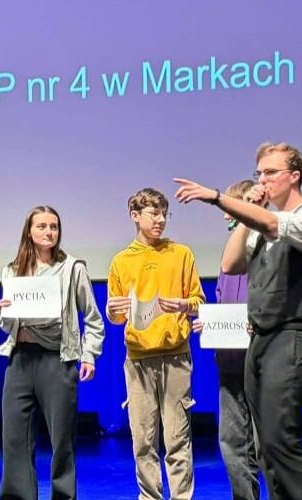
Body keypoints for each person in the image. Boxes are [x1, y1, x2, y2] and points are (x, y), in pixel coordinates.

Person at [172, 141, 302, 500]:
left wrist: (217, 197)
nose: (262, 180)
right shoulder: (259, 224)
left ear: (294, 176)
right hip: (260, 337)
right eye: (258, 173)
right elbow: (230, 263)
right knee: (265, 447)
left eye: (270, 172)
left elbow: (275, 224)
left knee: (278, 437)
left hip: (293, 333)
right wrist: (251, 211)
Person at [0, 206, 106, 500]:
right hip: (20, 359)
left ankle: (63, 495)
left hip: (57, 359)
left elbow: (93, 318)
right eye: (42, 226)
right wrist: (3, 312)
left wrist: (89, 354)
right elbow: (7, 324)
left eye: (54, 227)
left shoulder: (72, 268)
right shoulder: (13, 270)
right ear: (29, 231)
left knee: (62, 440)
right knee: (15, 437)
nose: (49, 232)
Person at [106, 188, 207, 500]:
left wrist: (184, 305)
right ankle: (149, 496)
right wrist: (112, 310)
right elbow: (116, 316)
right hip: (138, 360)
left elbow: (199, 302)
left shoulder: (181, 254)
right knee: (143, 439)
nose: (161, 220)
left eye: (165, 214)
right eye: (154, 213)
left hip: (176, 357)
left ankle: (182, 497)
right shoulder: (121, 261)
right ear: (135, 216)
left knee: (178, 437)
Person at [191, 180, 267, 500]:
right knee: (232, 442)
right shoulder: (230, 255)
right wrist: (208, 324)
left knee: (266, 445)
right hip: (230, 362)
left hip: (262, 364)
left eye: (230, 210)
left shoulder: (267, 247)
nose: (225, 216)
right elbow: (223, 300)